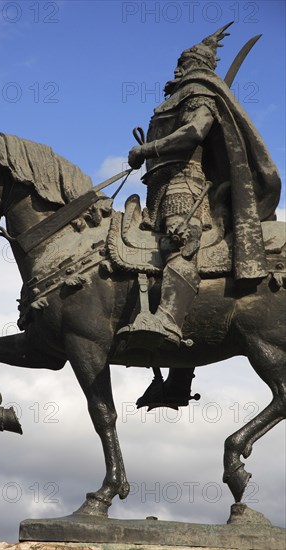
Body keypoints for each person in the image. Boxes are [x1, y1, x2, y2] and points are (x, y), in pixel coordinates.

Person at [121, 23, 281, 408]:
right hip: (157, 188)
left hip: (184, 188)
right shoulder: (176, 97)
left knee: (181, 242)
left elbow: (195, 133)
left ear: (193, 64)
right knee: (147, 258)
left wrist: (149, 149)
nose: (177, 69)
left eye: (183, 62)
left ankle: (168, 323)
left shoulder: (198, 93)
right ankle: (176, 380)